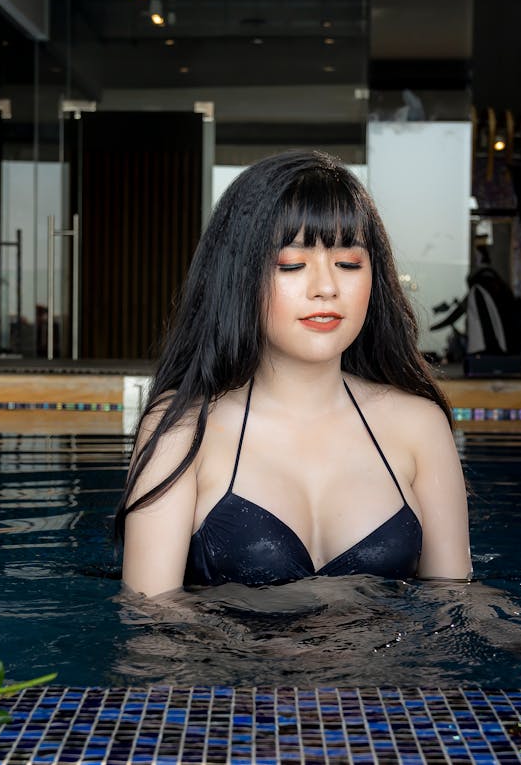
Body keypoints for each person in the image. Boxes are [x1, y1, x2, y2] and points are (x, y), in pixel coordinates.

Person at [116, 149, 471, 597]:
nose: (326, 288)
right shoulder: (184, 429)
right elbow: (151, 627)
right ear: (238, 277)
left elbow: (455, 607)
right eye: (291, 265)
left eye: (348, 264)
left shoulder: (420, 426)